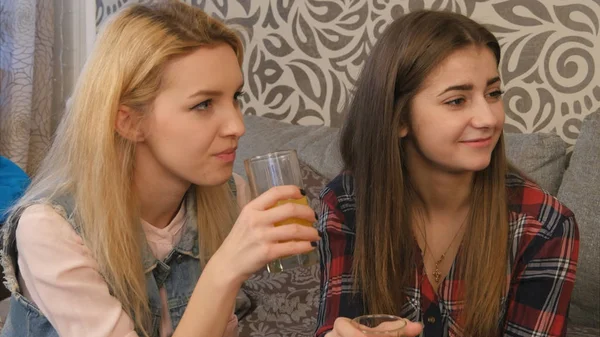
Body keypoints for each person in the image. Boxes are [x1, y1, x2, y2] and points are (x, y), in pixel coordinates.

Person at [0, 1, 319, 337]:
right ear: (129, 121)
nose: (237, 125)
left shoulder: (230, 197)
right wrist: (226, 269)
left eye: (235, 97)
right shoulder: (49, 229)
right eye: (204, 104)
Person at [315, 10, 579, 337]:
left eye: (493, 93)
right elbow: (338, 322)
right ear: (399, 119)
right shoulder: (347, 204)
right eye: (457, 100)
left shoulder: (545, 225)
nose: (488, 118)